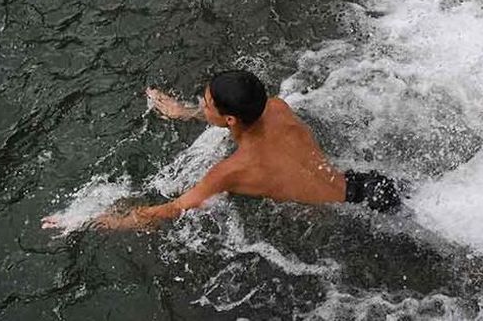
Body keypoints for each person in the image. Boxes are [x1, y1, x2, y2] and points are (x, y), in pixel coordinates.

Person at [43, 70, 400, 231]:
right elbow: (238, 120)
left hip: (352, 221)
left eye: (206, 103)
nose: (202, 103)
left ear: (229, 119)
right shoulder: (276, 107)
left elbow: (170, 210)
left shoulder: (233, 170)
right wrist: (184, 112)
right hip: (367, 188)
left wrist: (86, 220)